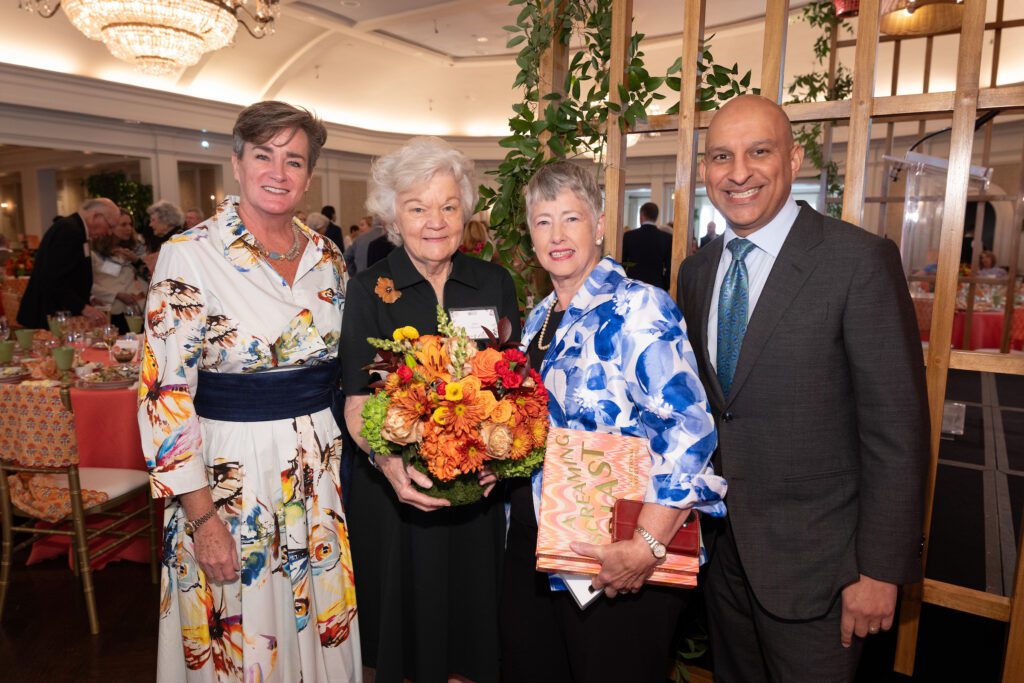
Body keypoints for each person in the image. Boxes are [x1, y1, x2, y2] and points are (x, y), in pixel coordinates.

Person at [675, 95, 928, 683]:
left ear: (793, 160)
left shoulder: (857, 261)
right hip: (723, 558)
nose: (738, 172)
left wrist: (880, 571)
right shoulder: (698, 271)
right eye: (721, 156)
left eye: (758, 152)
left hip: (825, 568)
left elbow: (897, 429)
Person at [137, 100, 360, 682]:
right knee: (241, 624)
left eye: (293, 160)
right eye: (263, 155)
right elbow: (165, 395)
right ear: (237, 163)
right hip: (230, 477)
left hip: (318, 474)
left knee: (316, 619)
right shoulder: (189, 255)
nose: (277, 172)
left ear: (309, 175)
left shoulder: (329, 257)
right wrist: (203, 518)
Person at [501, 162, 725, 683]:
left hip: (616, 554)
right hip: (541, 544)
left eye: (571, 219)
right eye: (542, 221)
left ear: (600, 225)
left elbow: (688, 432)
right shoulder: (538, 319)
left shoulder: (638, 307)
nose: (557, 236)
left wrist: (645, 546)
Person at [341, 136, 519, 683]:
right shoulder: (371, 290)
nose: (434, 221)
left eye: (447, 206)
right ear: (394, 214)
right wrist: (393, 467)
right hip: (398, 495)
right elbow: (358, 400)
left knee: (472, 635)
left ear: (465, 211)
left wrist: (501, 457)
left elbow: (512, 390)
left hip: (477, 495)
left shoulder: (493, 282)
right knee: (405, 644)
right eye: (418, 208)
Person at [17, 197, 118, 328]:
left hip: (56, 312)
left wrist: (88, 298)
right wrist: (83, 308)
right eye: (110, 226)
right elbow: (53, 279)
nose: (109, 233)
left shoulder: (75, 229)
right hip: (50, 315)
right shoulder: (69, 231)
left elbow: (71, 273)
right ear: (96, 216)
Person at [90, 209, 147, 333]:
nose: (129, 228)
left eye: (130, 224)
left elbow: (149, 276)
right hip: (109, 310)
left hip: (136, 311)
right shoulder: (95, 253)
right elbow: (89, 285)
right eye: (123, 224)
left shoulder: (137, 249)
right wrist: (117, 295)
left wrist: (135, 260)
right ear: (111, 226)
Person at [622, 201, 672, 289]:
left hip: (632, 285)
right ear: (656, 217)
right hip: (656, 285)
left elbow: (624, 263)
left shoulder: (629, 236)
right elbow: (669, 266)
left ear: (641, 215)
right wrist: (665, 285)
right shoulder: (666, 238)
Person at [143, 200, 185, 273]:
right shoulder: (168, 240)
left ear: (166, 221)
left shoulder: (177, 242)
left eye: (153, 220)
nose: (150, 225)